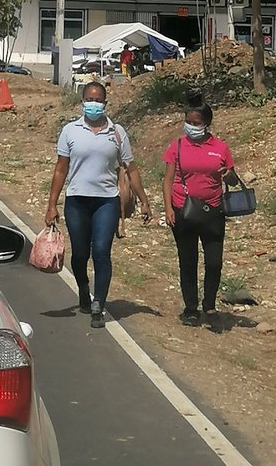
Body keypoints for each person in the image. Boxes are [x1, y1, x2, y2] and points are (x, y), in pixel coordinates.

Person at [45, 81, 152, 328]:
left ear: (105, 103)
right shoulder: (70, 131)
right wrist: (52, 204)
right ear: (82, 102)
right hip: (77, 200)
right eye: (89, 99)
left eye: (98, 100)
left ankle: (98, 304)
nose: (94, 104)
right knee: (80, 253)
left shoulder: (117, 133)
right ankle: (84, 288)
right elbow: (61, 170)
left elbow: (131, 169)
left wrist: (144, 200)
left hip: (106, 201)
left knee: (102, 251)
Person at [162, 90, 239, 328]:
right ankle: (191, 308)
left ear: (206, 124)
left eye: (196, 123)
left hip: (213, 211)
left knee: (214, 262)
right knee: (188, 260)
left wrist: (229, 176)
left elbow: (233, 179)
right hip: (182, 211)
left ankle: (210, 305)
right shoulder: (176, 146)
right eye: (188, 122)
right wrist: (168, 209)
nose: (191, 127)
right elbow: (167, 179)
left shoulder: (220, 147)